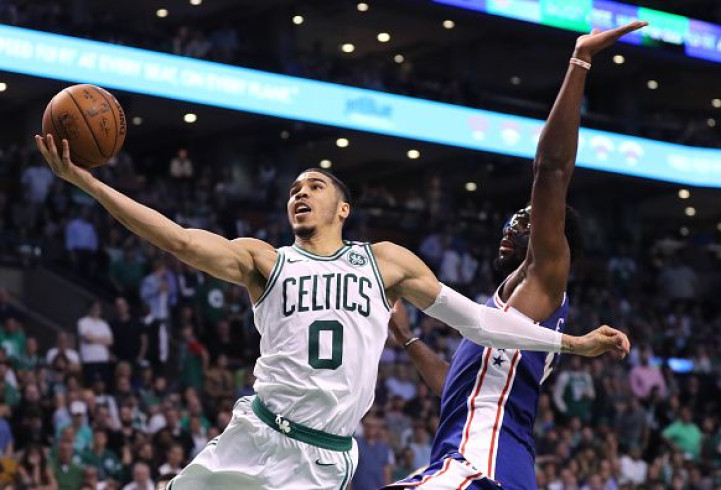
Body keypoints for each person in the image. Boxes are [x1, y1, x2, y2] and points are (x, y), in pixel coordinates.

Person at [36, 131, 628, 489]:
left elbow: (476, 321)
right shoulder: (263, 261)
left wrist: (570, 344)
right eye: (294, 187)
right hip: (256, 434)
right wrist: (90, 184)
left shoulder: (385, 262)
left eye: (315, 185)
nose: (301, 192)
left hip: (324, 458)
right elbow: (180, 239)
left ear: (342, 208)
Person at [386, 21, 646, 489]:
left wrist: (580, 60)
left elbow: (551, 169)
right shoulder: (500, 317)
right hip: (479, 464)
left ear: (554, 239)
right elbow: (458, 394)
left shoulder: (544, 280)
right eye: (513, 219)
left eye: (527, 222)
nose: (513, 227)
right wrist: (407, 338)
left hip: (479, 464)